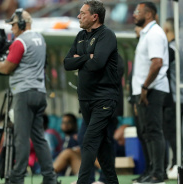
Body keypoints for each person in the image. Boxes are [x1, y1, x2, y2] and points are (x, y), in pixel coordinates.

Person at [0, 8, 58, 184]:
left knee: (21, 137)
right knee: (39, 137)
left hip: (24, 93)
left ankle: (17, 177)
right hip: (39, 92)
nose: (12, 29)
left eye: (14, 25)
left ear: (22, 24)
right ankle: (50, 176)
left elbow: (7, 68)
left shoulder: (20, 42)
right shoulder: (40, 39)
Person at [63, 0, 119, 183]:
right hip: (85, 100)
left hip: (103, 99)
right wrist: (89, 56)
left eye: (83, 13)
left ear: (95, 16)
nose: (79, 16)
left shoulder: (107, 35)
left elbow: (98, 64)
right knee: (102, 146)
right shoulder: (80, 35)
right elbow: (67, 63)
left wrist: (81, 59)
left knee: (88, 141)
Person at [132, 2, 169, 184]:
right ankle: (151, 171)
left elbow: (157, 63)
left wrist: (145, 87)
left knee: (154, 131)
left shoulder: (154, 34)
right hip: (145, 90)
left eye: (137, 12)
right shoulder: (147, 33)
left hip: (152, 89)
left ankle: (158, 174)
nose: (133, 15)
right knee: (146, 132)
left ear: (148, 15)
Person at [162, 17, 183, 178]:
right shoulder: (180, 47)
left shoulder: (171, 49)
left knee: (171, 131)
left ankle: (176, 163)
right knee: (174, 131)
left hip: (175, 97)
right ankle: (176, 162)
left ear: (166, 30)